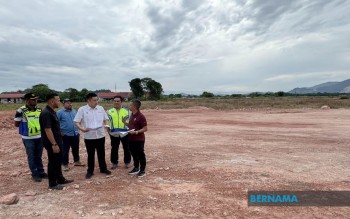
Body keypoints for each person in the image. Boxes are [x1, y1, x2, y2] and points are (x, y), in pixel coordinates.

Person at [39, 93, 73, 190]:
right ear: (52, 101)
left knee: (58, 161)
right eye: (58, 100)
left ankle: (60, 179)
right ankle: (53, 184)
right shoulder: (46, 113)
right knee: (53, 162)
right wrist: (54, 144)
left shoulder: (52, 111)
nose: (59, 102)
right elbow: (47, 130)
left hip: (57, 141)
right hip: (52, 143)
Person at [74, 93, 111, 179]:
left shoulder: (100, 108)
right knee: (90, 155)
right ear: (88, 101)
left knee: (101, 153)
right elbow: (76, 121)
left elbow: (105, 119)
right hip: (89, 136)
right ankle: (90, 171)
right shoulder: (82, 109)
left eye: (97, 100)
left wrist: (106, 125)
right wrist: (82, 129)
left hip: (100, 135)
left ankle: (103, 169)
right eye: (94, 100)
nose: (96, 102)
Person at [14, 93, 47, 182]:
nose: (35, 101)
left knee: (39, 156)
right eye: (32, 99)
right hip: (28, 138)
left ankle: (41, 172)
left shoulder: (39, 109)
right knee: (31, 156)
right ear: (27, 100)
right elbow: (16, 124)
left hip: (39, 136)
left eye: (35, 99)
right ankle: (35, 174)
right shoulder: (20, 111)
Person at [57, 98, 85, 171]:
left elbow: (78, 121)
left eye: (70, 103)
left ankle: (77, 161)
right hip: (65, 135)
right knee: (65, 150)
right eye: (68, 103)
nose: (70, 104)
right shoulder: (60, 112)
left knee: (76, 148)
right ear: (64, 104)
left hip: (75, 134)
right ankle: (64, 164)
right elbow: (56, 123)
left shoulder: (74, 111)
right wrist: (60, 132)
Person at [123, 99, 148, 178]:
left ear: (135, 107)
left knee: (140, 155)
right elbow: (131, 126)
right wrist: (124, 122)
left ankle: (142, 170)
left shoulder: (141, 116)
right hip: (131, 139)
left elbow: (145, 128)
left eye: (130, 105)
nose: (129, 106)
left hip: (139, 140)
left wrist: (136, 132)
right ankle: (136, 168)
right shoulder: (132, 115)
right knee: (133, 154)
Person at [106, 95, 131, 169]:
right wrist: (108, 131)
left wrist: (129, 130)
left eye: (118, 101)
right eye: (115, 101)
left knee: (126, 148)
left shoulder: (127, 111)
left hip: (125, 133)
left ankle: (127, 162)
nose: (116, 102)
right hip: (113, 133)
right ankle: (114, 163)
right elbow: (107, 122)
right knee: (114, 148)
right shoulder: (109, 111)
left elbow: (131, 122)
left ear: (121, 102)